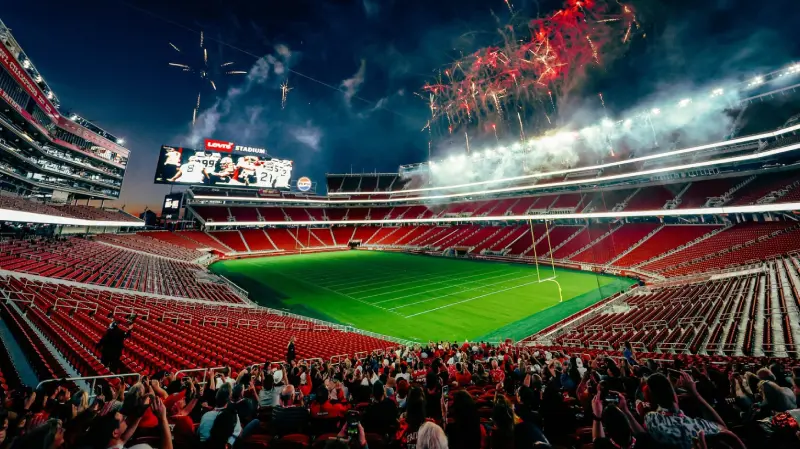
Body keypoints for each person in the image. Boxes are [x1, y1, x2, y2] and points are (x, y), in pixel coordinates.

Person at [644, 372, 745, 449]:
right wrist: (695, 393)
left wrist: (672, 392)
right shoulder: (694, 427)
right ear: (674, 396)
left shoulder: (650, 418)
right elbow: (723, 427)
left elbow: (664, 405)